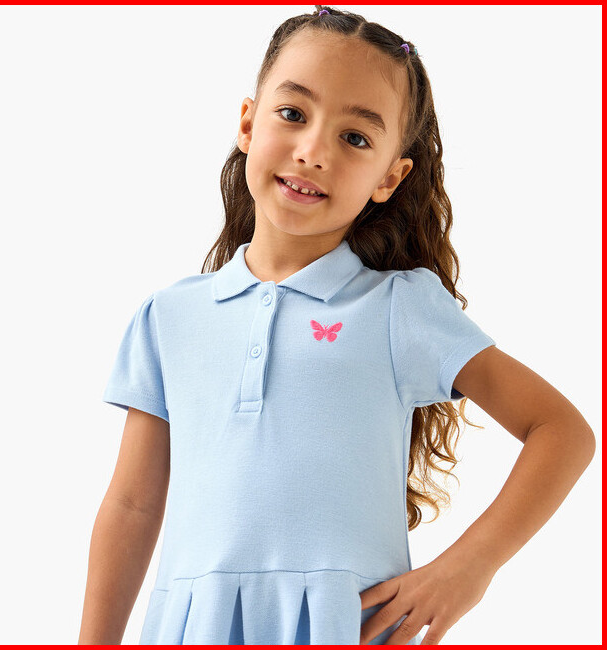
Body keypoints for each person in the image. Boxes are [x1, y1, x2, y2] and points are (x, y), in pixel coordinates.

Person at [78, 5, 596, 645]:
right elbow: (131, 505)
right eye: (292, 113)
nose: (313, 152)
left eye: (355, 137)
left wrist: (469, 568)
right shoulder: (169, 317)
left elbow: (561, 431)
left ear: (390, 176)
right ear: (248, 123)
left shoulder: (399, 307)